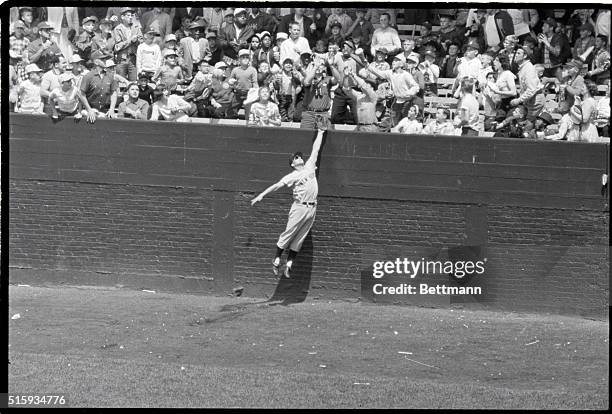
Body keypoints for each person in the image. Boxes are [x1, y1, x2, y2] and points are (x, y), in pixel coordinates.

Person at [251, 128, 326, 278]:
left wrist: (321, 132)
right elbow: (278, 185)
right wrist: (262, 195)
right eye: (296, 158)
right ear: (292, 164)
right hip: (299, 207)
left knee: (300, 237)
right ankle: (277, 259)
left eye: (299, 156)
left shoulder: (310, 165)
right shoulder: (293, 175)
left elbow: (316, 149)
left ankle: (289, 264)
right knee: (289, 233)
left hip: (312, 208)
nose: (299, 158)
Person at [366, 53, 420, 127]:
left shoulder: (406, 75)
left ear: (401, 64)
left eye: (396, 61)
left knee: (405, 123)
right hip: (397, 101)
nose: (393, 62)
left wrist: (407, 93)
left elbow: (416, 87)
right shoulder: (390, 73)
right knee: (394, 123)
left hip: (407, 102)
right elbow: (379, 73)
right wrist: (367, 65)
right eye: (393, 60)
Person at [510, 46, 545, 120]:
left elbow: (531, 89)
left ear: (525, 56)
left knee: (528, 125)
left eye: (518, 53)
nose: (515, 55)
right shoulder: (524, 67)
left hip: (535, 99)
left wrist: (518, 100)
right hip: (529, 99)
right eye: (516, 53)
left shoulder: (528, 69)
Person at [300, 56, 335, 129]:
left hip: (323, 114)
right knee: (304, 137)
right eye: (316, 64)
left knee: (324, 137)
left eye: (321, 64)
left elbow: (338, 79)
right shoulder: (307, 77)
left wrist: (331, 65)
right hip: (309, 114)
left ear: (325, 68)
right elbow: (306, 82)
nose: (319, 66)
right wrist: (315, 66)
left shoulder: (328, 79)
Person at [113, 7, 143, 81]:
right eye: (128, 15)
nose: (130, 17)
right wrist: (131, 41)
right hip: (122, 59)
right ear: (122, 17)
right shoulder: (117, 29)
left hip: (133, 59)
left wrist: (137, 41)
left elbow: (141, 41)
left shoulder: (136, 27)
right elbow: (118, 46)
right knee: (121, 82)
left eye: (131, 15)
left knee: (133, 82)